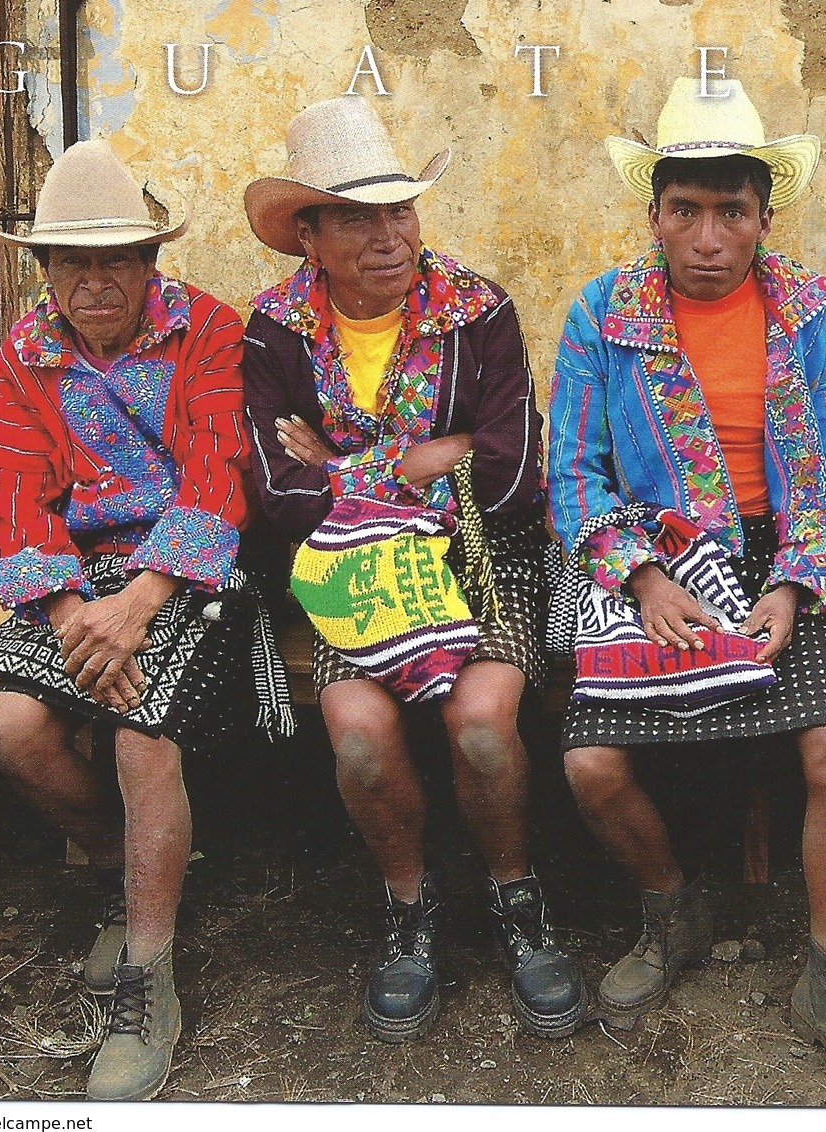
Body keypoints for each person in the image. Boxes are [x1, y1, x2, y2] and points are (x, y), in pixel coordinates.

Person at [548, 77, 826, 1104]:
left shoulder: (806, 310)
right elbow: (573, 472)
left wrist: (794, 585)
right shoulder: (603, 313)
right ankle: (672, 905)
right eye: (686, 209)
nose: (708, 234)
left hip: (772, 561)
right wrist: (645, 575)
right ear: (655, 211)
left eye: (732, 210)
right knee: (589, 762)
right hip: (650, 555)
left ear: (763, 215)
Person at [241, 97, 585, 1041]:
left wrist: (344, 468)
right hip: (358, 568)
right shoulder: (273, 330)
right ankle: (408, 905)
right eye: (355, 216)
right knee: (354, 728)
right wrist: (421, 458)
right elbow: (274, 487)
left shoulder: (479, 311)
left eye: (398, 210)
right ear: (308, 235)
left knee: (480, 721)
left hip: (483, 554)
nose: (387, 236)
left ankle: (516, 894)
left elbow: (514, 473)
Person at [0, 139, 292, 1101]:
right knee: (9, 727)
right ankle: (132, 867)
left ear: (151, 265)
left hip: (197, 568)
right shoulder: (27, 354)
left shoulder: (208, 331)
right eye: (74, 262)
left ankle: (149, 973)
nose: (96, 282)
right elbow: (16, 492)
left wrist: (139, 603)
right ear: (46, 271)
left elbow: (219, 471)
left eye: (116, 260)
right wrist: (73, 612)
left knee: (142, 734)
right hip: (80, 580)